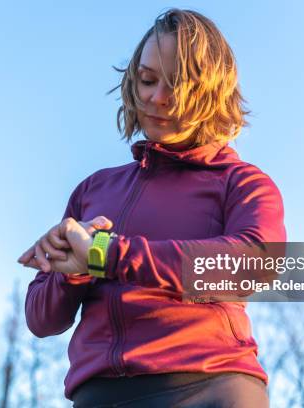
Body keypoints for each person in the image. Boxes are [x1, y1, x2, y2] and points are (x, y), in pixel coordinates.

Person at [18, 8, 285, 407]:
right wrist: (73, 270)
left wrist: (107, 254)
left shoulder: (242, 182)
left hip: (208, 389)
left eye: (177, 85)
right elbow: (41, 320)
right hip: (98, 395)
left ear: (211, 91)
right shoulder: (94, 189)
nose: (157, 98)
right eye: (147, 79)